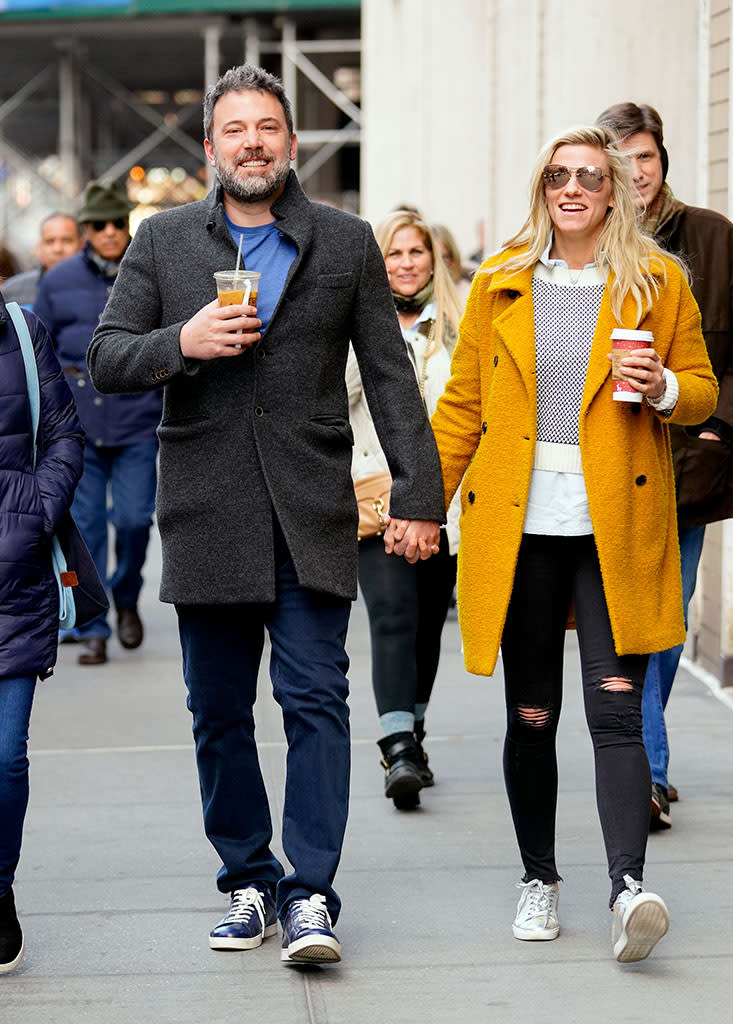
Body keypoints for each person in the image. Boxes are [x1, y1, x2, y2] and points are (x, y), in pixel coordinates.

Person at [88, 65, 444, 965]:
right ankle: (247, 879)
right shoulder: (163, 240)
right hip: (207, 511)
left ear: (290, 143)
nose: (252, 142)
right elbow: (105, 357)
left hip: (310, 508)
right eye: (235, 128)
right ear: (209, 149)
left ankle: (311, 894)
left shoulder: (346, 241)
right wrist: (185, 341)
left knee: (317, 701)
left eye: (269, 127)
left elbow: (392, 379)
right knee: (217, 713)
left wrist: (418, 496)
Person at [427, 125, 717, 962]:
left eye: (591, 176)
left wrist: (662, 385)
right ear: (542, 187)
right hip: (520, 531)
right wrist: (422, 505)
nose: (573, 188)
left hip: (612, 529)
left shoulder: (656, 282)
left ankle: (628, 890)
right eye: (559, 174)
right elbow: (461, 407)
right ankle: (539, 880)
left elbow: (699, 388)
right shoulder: (502, 281)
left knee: (615, 712)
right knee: (531, 715)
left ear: (616, 192)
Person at [596, 102, 733, 829]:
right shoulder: (584, 244)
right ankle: (643, 771)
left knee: (664, 623)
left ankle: (642, 764)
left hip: (685, 467)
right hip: (604, 464)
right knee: (625, 622)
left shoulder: (713, 238)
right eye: (621, 157)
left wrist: (717, 425)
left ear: (660, 161)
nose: (635, 170)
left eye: (644, 156)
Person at [347, 209, 462, 809]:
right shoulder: (354, 320)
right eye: (393, 253)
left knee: (425, 623)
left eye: (416, 252)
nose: (406, 263)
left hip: (446, 498)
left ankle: (413, 730)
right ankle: (397, 747)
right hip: (376, 492)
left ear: (433, 259)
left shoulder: (461, 323)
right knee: (390, 613)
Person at [35, 182, 162, 667]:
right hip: (77, 427)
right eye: (97, 225)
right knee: (85, 530)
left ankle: (126, 597)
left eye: (116, 223)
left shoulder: (148, 269)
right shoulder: (59, 279)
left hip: (135, 420)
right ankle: (94, 626)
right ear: (85, 229)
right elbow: (40, 347)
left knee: (133, 520)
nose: (108, 232)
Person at [0, 297, 84, 972]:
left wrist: (37, 508)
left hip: (15, 581)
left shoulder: (22, 331)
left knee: (3, 759)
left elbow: (62, 433)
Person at [1, 213, 82, 309]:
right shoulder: (12, 292)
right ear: (39, 247)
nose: (58, 249)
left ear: (81, 245)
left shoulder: (99, 288)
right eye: (50, 241)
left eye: (67, 240)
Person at [431, 223, 473, 306]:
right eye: (433, 258)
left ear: (453, 259)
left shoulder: (466, 294)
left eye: (443, 258)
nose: (438, 265)